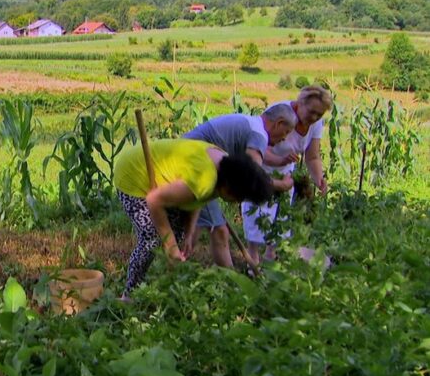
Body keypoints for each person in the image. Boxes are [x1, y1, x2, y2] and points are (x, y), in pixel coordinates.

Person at [114, 138, 273, 297]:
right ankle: (130, 294)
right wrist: (171, 246)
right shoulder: (205, 180)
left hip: (166, 181)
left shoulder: (225, 168)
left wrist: (189, 233)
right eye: (238, 197)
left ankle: (168, 288)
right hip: (133, 172)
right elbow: (154, 200)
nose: (237, 202)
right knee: (153, 238)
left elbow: (198, 199)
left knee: (179, 236)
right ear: (230, 187)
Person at [182, 103, 297, 267]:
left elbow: (253, 164)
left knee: (204, 227)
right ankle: (229, 283)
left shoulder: (251, 124)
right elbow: (252, 177)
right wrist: (282, 185)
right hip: (195, 167)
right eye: (285, 132)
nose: (284, 139)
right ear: (278, 123)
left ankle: (180, 267)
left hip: (193, 162)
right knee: (217, 231)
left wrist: (280, 163)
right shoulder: (259, 135)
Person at [242, 85, 334, 264]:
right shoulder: (280, 114)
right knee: (257, 211)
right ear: (300, 103)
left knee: (281, 215)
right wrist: (279, 160)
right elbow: (257, 147)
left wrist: (319, 179)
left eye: (320, 114)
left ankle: (272, 258)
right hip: (261, 166)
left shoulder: (315, 125)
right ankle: (252, 258)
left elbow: (312, 156)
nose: (314, 117)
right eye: (312, 112)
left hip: (285, 172)